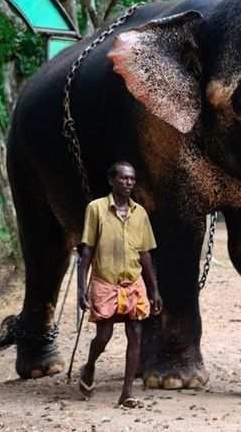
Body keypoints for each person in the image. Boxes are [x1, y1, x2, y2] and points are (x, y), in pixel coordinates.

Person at [77, 161, 162, 408]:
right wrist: (82, 289)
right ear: (111, 180)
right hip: (105, 283)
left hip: (133, 284)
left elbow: (145, 254)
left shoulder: (140, 214)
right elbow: (87, 252)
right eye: (124, 178)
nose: (128, 183)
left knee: (135, 336)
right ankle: (90, 366)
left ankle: (126, 394)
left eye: (132, 179)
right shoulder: (96, 209)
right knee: (103, 336)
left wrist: (154, 289)